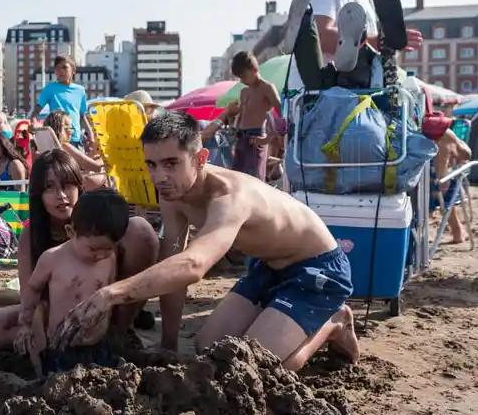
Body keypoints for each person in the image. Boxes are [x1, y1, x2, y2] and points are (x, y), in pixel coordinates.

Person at [50, 112, 359, 370]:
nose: (159, 177)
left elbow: (193, 265)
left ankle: (335, 321)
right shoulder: (172, 193)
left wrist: (111, 293)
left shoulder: (230, 197)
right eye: (152, 165)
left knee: (258, 366)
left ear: (200, 158)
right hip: (268, 268)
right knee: (208, 348)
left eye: (171, 163)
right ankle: (282, 320)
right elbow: (174, 261)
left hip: (317, 268)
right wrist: (168, 343)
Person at [0, 149, 160, 351]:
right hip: (56, 313)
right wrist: (35, 328)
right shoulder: (32, 235)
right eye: (49, 188)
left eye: (67, 185)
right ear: (39, 194)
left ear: (79, 186)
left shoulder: (102, 221)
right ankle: (56, 342)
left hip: (107, 308)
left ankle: (121, 332)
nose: (60, 196)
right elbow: (30, 295)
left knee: (140, 229)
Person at [15, 188, 133, 376]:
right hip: (62, 346)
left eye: (108, 248)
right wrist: (25, 323)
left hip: (97, 345)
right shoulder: (52, 258)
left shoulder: (109, 260)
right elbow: (33, 289)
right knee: (58, 383)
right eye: (93, 249)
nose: (100, 255)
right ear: (70, 232)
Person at [226, 51, 281, 181]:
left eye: (244, 76)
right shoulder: (244, 92)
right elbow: (242, 114)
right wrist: (233, 128)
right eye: (239, 78)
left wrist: (269, 138)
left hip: (256, 136)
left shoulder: (267, 88)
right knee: (237, 176)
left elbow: (281, 114)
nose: (242, 81)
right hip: (240, 136)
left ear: (254, 70)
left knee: (254, 177)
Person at [423, 112, 472, 244]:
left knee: (424, 210)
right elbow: (466, 155)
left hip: (423, 187)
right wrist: (456, 148)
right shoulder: (448, 135)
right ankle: (458, 233)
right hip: (444, 184)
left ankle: (421, 234)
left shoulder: (419, 135)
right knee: (449, 207)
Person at [32, 56, 99, 152]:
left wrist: (91, 134)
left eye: (64, 67)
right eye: (57, 68)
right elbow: (36, 112)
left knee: (80, 162)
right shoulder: (49, 88)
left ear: (73, 70)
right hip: (58, 140)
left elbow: (82, 116)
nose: (60, 71)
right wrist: (34, 124)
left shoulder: (80, 90)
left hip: (77, 140)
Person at [40, 110, 107, 191]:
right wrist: (102, 158)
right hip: (76, 185)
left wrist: (91, 158)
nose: (72, 132)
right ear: (61, 129)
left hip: (63, 183)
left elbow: (80, 163)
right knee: (105, 170)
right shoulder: (65, 146)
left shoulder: (50, 147)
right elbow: (97, 168)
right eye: (70, 128)